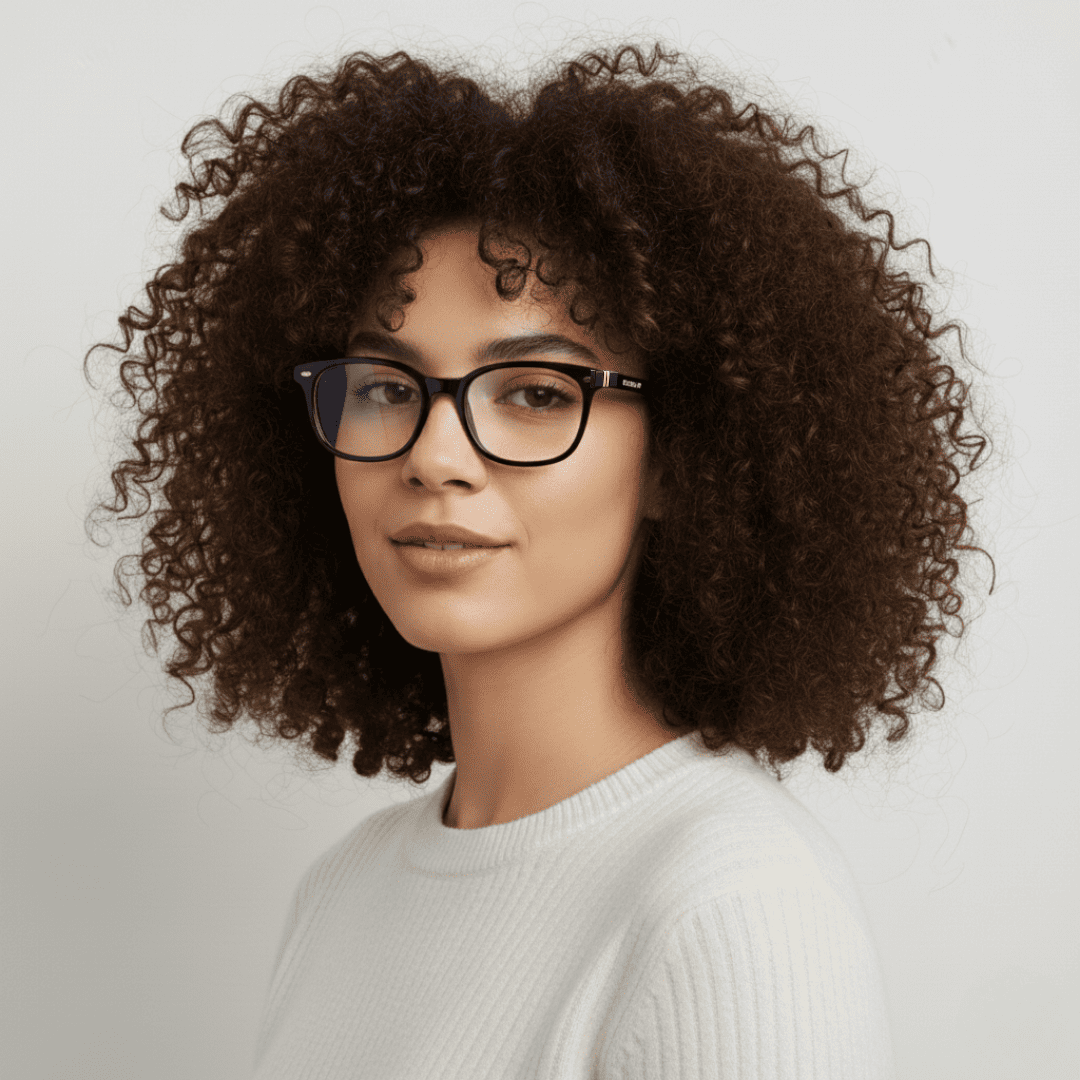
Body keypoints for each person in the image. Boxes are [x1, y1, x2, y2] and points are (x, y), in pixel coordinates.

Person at [85, 42, 995, 1079]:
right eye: (384, 387)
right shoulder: (343, 892)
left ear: (676, 458)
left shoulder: (729, 909)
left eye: (533, 394)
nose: (434, 458)